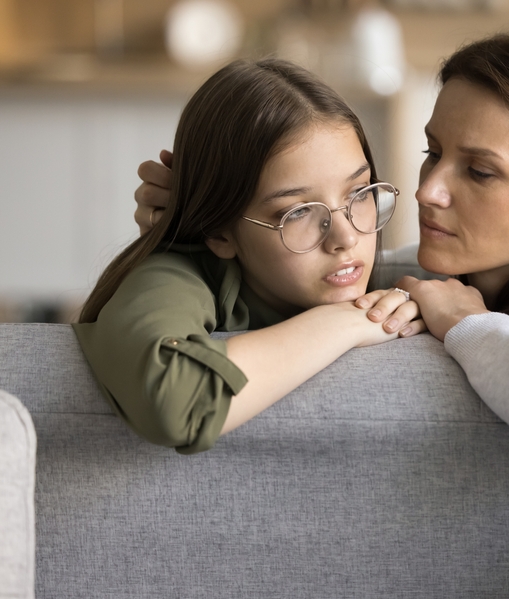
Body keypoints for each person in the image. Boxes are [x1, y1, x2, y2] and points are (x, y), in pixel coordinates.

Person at [134, 30, 509, 463]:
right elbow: (303, 292)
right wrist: (199, 226)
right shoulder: (478, 262)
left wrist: (465, 324)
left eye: (478, 172)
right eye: (433, 152)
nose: (428, 190)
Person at [75, 58, 425, 454]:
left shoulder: (419, 285)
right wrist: (344, 323)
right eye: (298, 212)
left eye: (358, 193)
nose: (345, 237)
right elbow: (177, 403)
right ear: (219, 233)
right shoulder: (177, 275)